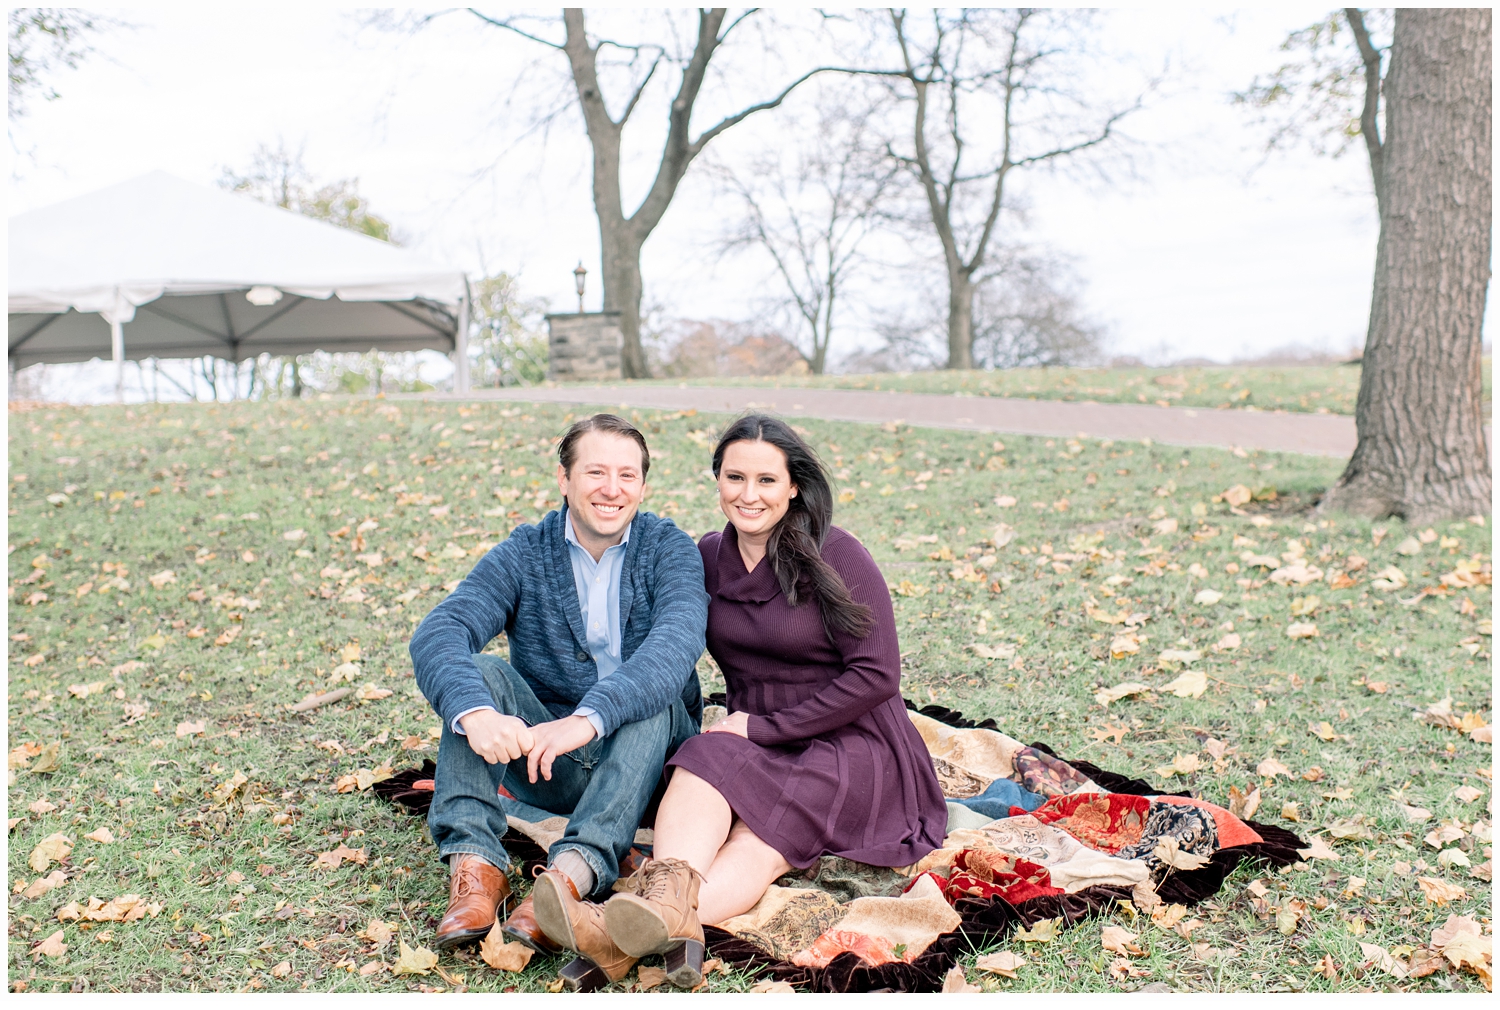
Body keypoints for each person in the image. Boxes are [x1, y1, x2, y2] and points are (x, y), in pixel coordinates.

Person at [541, 414, 947, 989]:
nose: (748, 495)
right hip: (751, 730)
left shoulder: (838, 553)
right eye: (735, 478)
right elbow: (659, 634)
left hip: (852, 739)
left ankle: (611, 934)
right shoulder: (707, 557)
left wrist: (763, 729)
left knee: (760, 836)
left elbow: (877, 675)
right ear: (717, 481)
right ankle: (665, 915)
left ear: (793, 487)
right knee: (701, 754)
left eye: (766, 481)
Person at [409, 413, 707, 989]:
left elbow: (675, 647)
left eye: (628, 474)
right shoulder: (526, 551)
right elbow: (441, 629)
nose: (612, 489)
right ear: (565, 479)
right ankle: (476, 867)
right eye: (595, 471)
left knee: (657, 696)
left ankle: (567, 881)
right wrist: (475, 713)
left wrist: (588, 719)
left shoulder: (669, 548)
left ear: (643, 486)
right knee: (477, 675)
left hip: (645, 764)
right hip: (546, 760)